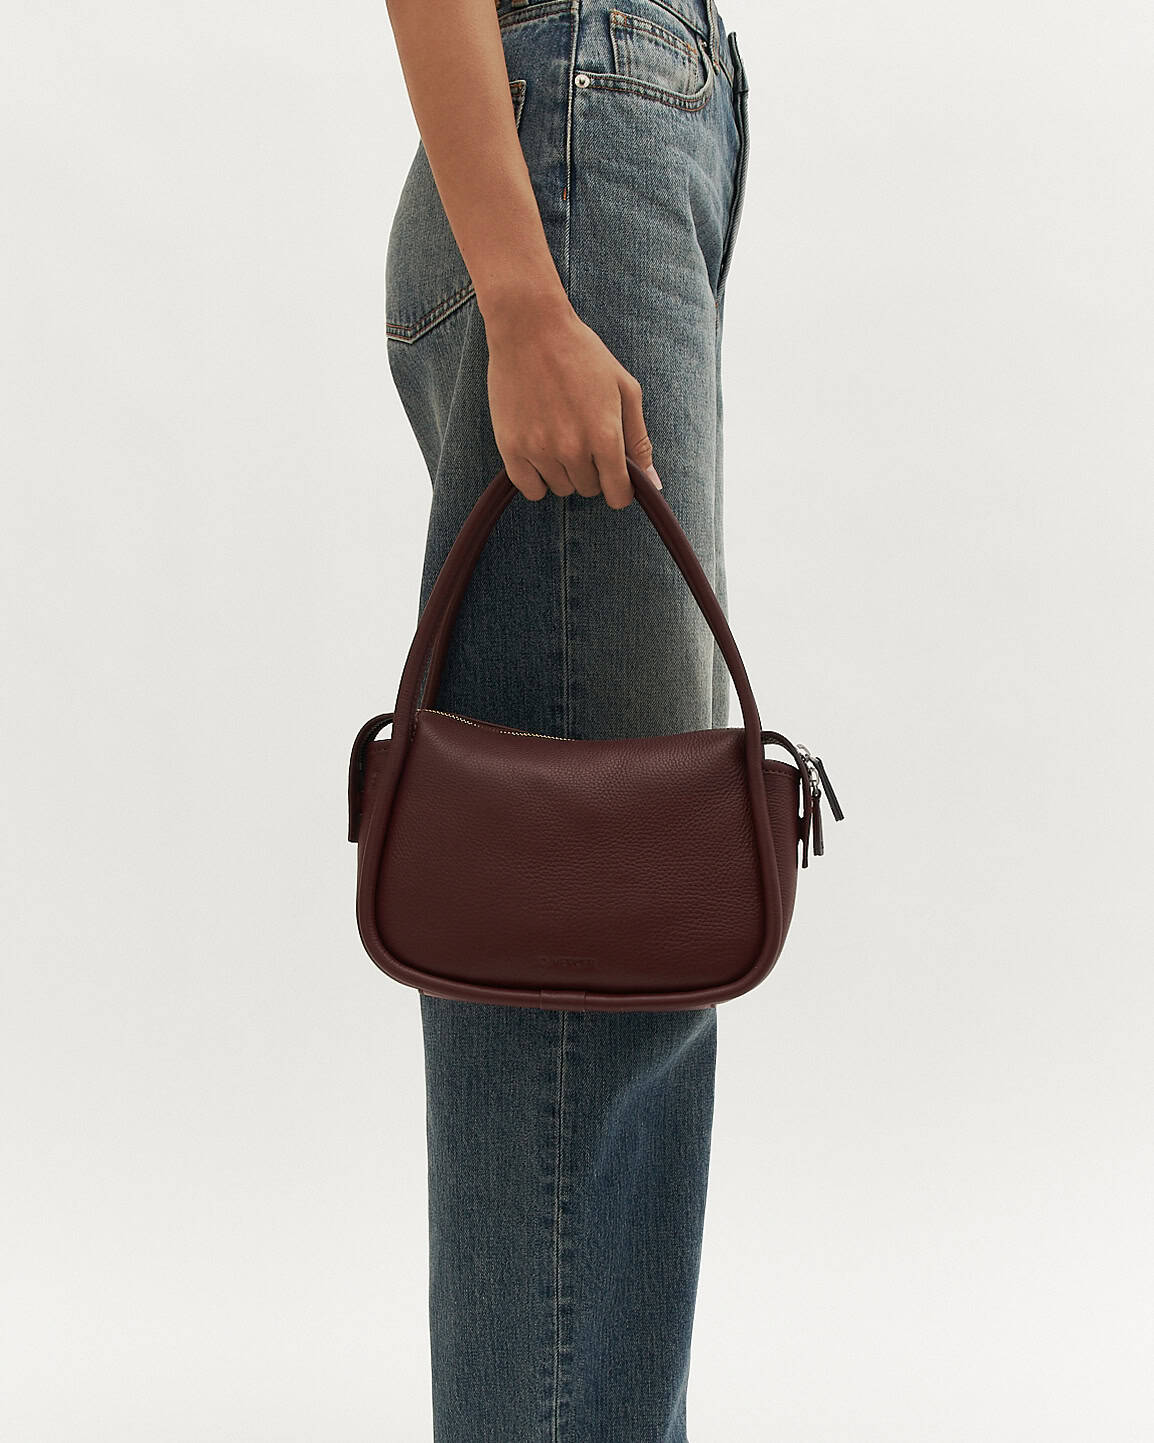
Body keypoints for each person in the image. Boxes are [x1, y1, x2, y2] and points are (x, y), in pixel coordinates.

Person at [381, 0, 749, 1437]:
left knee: (618, 941)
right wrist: (531, 298)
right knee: (582, 942)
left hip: (623, 132)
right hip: (581, 139)